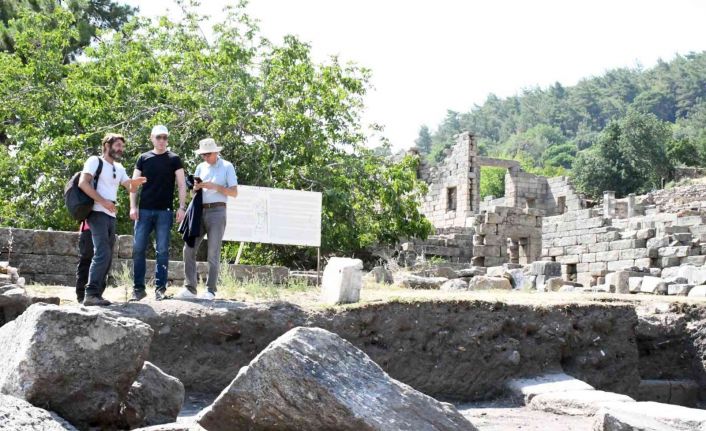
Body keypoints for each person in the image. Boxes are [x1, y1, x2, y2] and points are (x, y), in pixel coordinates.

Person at [78, 133, 147, 306]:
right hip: (96, 212)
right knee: (102, 252)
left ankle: (97, 295)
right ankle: (90, 293)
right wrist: (103, 202)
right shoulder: (95, 161)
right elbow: (82, 183)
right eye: (117, 145)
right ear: (107, 146)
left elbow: (129, 186)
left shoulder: (119, 167)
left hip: (110, 214)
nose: (120, 149)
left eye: (122, 146)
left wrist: (136, 183)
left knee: (107, 255)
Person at [129, 125, 187, 301]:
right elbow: (134, 184)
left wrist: (182, 207)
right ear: (152, 138)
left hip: (165, 211)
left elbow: (182, 184)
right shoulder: (143, 158)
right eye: (159, 137)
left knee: (162, 250)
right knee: (138, 248)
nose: (162, 140)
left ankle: (160, 289)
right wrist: (133, 206)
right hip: (144, 210)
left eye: (165, 137)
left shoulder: (174, 159)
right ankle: (138, 289)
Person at [175, 138, 237, 300]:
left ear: (216, 152)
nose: (205, 157)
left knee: (213, 252)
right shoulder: (200, 167)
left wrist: (214, 186)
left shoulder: (227, 166)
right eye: (202, 154)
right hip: (199, 211)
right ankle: (190, 288)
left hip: (217, 211)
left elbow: (234, 192)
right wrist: (195, 188)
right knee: (188, 249)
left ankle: (210, 290)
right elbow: (193, 194)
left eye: (207, 154)